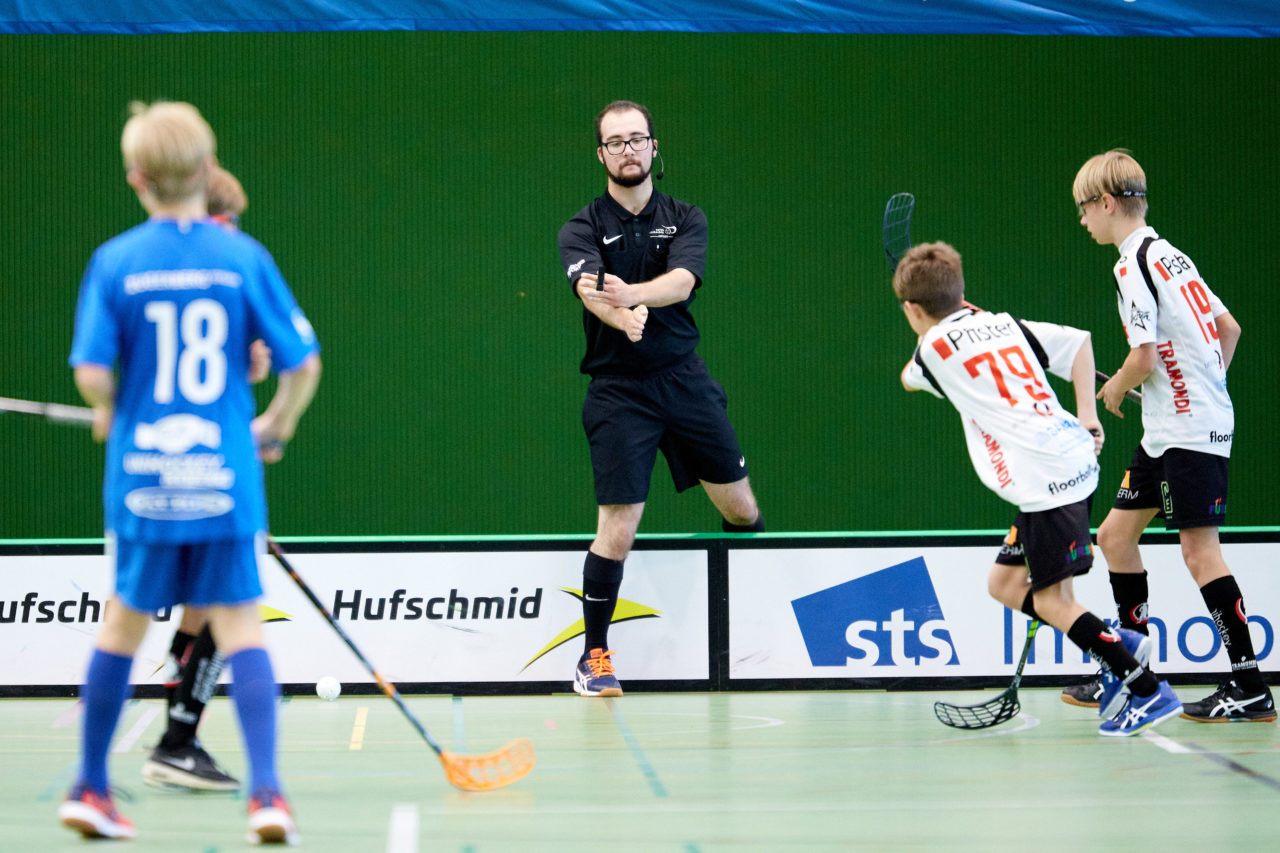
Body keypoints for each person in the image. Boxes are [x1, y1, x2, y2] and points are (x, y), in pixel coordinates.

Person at [58, 101, 321, 843]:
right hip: (223, 475)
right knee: (240, 624)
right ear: (208, 169)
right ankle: (266, 796)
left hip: (143, 478)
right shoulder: (242, 257)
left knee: (122, 622)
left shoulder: (116, 261)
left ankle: (90, 786)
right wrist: (277, 424)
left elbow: (91, 372)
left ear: (136, 178)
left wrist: (109, 409)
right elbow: (302, 362)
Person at [895, 240, 1180, 736]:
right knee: (1004, 585)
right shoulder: (1006, 324)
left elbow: (908, 378)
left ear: (912, 309)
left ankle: (1146, 688)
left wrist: (935, 327)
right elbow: (1079, 344)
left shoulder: (930, 351)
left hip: (1048, 481)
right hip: (1063, 465)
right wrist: (1088, 415)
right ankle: (1119, 643)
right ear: (961, 291)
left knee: (1053, 602)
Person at [557, 100, 762, 697]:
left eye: (636, 139)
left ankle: (754, 632)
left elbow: (682, 281)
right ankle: (594, 657)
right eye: (615, 142)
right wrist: (621, 318)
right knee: (618, 527)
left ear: (653, 147)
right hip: (618, 393)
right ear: (601, 155)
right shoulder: (580, 227)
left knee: (742, 510)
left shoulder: (686, 217)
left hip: (684, 380)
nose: (627, 150)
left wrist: (634, 297)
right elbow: (590, 291)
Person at [1067, 149, 1274, 722]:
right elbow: (1228, 329)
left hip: (1189, 432)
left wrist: (1115, 389)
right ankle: (1131, 673)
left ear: (1107, 203)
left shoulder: (1133, 263)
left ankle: (1250, 686)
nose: (1082, 220)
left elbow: (1144, 357)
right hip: (1169, 429)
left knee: (1199, 552)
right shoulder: (1172, 256)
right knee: (1114, 537)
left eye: (1084, 208)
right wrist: (1198, 385)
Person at [141, 162, 270, 793]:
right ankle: (180, 739)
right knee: (225, 609)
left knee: (194, 608)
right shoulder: (231, 267)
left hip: (167, 469)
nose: (233, 231)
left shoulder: (143, 265)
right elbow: (266, 363)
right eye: (229, 219)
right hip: (208, 470)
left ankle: (175, 728)